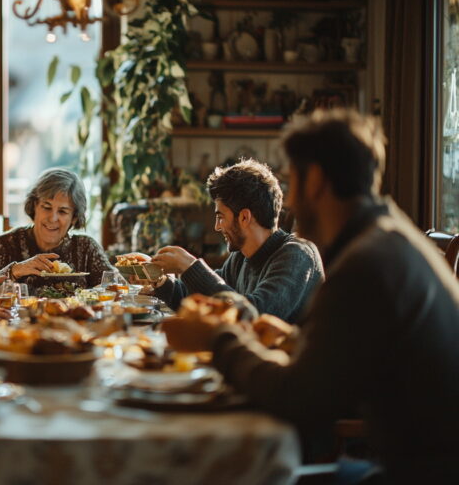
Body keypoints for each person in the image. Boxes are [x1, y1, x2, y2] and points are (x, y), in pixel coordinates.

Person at [163, 109, 459, 483]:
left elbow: (297, 399)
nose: (289, 201)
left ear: (316, 179)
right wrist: (293, 338)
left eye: (293, 181)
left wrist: (218, 339)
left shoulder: (365, 263)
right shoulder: (389, 239)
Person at [151, 158, 323, 323]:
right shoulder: (241, 257)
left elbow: (254, 315)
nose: (217, 227)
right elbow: (204, 298)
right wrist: (159, 280)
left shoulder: (297, 256)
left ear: (244, 217)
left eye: (221, 217)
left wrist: (190, 266)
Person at [0, 168, 114, 291]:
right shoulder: (2, 245)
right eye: (46, 207)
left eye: (63, 211)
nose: (53, 218)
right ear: (34, 206)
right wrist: (14, 271)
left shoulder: (86, 248)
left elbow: (116, 288)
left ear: (74, 218)